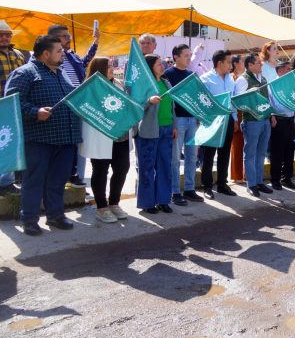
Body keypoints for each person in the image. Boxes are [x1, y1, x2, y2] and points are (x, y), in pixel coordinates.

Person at [6, 35, 81, 235]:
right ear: (46, 54)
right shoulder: (25, 73)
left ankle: (55, 215)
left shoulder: (61, 73)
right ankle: (29, 219)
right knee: (34, 180)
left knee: (58, 180)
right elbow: (12, 102)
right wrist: (35, 111)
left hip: (65, 138)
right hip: (38, 139)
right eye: (59, 51)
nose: (63, 53)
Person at [78, 57, 131, 223]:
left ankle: (114, 203)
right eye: (108, 66)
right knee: (100, 171)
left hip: (121, 136)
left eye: (112, 65)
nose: (112, 68)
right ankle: (101, 208)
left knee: (122, 168)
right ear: (99, 69)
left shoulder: (119, 84)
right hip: (101, 136)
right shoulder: (89, 87)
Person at [47, 24, 98, 189]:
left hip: (78, 105)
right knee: (63, 145)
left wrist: (95, 42)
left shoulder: (72, 56)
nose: (69, 39)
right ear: (54, 39)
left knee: (77, 143)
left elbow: (85, 63)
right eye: (65, 36)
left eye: (69, 36)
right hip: (61, 107)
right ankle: (63, 177)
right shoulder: (49, 59)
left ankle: (75, 175)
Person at [164, 44, 204, 206]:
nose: (189, 58)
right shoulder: (167, 75)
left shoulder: (191, 75)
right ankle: (175, 192)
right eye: (186, 55)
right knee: (175, 158)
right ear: (176, 57)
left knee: (192, 157)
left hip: (192, 119)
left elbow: (196, 96)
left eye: (190, 55)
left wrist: (198, 117)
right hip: (177, 120)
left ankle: (189, 189)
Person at [136, 54, 176, 214]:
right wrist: (148, 102)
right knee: (147, 168)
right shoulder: (143, 84)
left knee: (165, 166)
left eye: (162, 63)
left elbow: (172, 106)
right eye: (159, 64)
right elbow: (136, 106)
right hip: (150, 131)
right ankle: (147, 203)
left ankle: (163, 200)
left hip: (167, 128)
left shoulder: (166, 82)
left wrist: (174, 125)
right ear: (150, 67)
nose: (162, 66)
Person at [199, 50, 238, 200]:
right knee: (209, 154)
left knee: (224, 152)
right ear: (220, 63)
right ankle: (207, 186)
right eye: (228, 62)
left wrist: (234, 118)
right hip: (212, 121)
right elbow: (202, 102)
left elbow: (232, 101)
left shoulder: (230, 79)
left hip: (228, 120)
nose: (231, 65)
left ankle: (222, 184)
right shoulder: (206, 79)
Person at [234, 54, 273, 197]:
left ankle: (259, 182)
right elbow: (238, 101)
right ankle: (251, 184)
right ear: (250, 65)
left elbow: (268, 99)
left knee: (261, 153)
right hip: (251, 121)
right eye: (258, 63)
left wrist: (272, 115)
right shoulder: (243, 79)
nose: (261, 64)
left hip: (265, 120)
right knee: (250, 154)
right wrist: (250, 94)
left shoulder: (263, 79)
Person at [0, 20, 26, 196]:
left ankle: (7, 182)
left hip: (15, 105)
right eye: (1, 35)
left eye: (7, 35)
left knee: (10, 141)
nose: (4, 38)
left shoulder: (18, 55)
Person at [269, 59, 295, 190]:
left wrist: (294, 121)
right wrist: (272, 116)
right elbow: (270, 103)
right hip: (279, 121)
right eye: (288, 69)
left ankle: (287, 178)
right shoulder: (272, 84)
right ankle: (275, 179)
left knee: (289, 151)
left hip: (290, 120)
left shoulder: (291, 84)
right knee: (277, 152)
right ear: (280, 71)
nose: (290, 71)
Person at [229, 55, 245, 183]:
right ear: (235, 64)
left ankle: (245, 174)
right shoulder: (231, 78)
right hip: (236, 113)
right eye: (242, 61)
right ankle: (237, 175)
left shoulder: (244, 77)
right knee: (237, 145)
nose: (244, 63)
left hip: (246, 112)